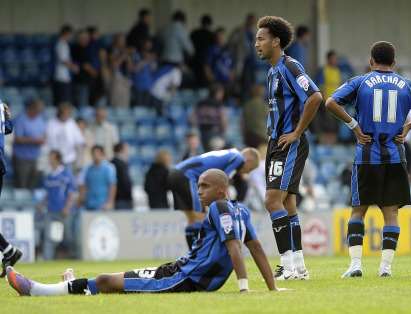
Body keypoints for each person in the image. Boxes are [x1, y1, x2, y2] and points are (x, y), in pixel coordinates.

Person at [7, 169, 283, 296]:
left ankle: (39, 291)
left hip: (183, 280)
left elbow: (235, 247)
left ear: (221, 190)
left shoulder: (218, 207)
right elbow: (255, 248)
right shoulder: (241, 211)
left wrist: (245, 288)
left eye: (204, 186)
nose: (199, 192)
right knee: (111, 280)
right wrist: (272, 288)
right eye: (198, 186)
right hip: (179, 270)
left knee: (106, 280)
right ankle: (70, 285)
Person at [325, 41, 411, 278]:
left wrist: (354, 125)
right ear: (394, 62)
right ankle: (385, 268)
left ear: (371, 61)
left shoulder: (361, 82)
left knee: (358, 211)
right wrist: (410, 125)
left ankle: (356, 265)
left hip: (367, 155)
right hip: (394, 156)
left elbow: (330, 102)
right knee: (391, 213)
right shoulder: (406, 85)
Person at [255, 16, 322, 280]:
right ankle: (299, 266)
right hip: (276, 141)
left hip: (288, 141)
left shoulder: (290, 66)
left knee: (272, 200)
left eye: (261, 39)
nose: (256, 43)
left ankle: (287, 266)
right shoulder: (272, 71)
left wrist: (296, 132)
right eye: (256, 39)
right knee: (288, 203)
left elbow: (315, 96)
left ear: (276, 41)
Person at [167, 148, 260, 249]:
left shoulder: (230, 152)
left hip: (174, 172)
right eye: (249, 169)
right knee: (200, 216)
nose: (246, 173)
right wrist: (228, 206)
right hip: (187, 176)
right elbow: (224, 181)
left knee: (192, 218)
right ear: (249, 161)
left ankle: (193, 254)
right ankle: (200, 254)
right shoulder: (238, 158)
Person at [39, 150, 76, 260]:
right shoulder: (49, 175)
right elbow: (48, 193)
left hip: (64, 211)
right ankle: (47, 260)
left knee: (68, 236)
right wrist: (42, 204)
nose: (50, 160)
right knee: (49, 237)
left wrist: (67, 208)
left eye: (52, 158)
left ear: (58, 159)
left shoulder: (66, 174)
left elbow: (71, 193)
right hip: (51, 210)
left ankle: (74, 257)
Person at [0, 102, 22, 277]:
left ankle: (9, 250)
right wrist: (7, 115)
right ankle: (8, 251)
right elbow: (8, 128)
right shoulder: (1, 105)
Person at [12, 98, 46, 189]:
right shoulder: (21, 119)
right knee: (22, 186)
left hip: (35, 157)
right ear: (32, 108)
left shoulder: (39, 119)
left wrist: (43, 139)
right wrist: (34, 140)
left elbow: (43, 134)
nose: (39, 113)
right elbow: (17, 139)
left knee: (33, 186)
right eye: (38, 110)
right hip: (22, 158)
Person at [46, 102, 85, 169]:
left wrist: (82, 143)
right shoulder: (51, 123)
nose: (67, 115)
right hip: (56, 159)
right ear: (60, 113)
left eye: (68, 113)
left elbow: (78, 138)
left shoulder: (71, 122)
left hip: (69, 158)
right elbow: (50, 141)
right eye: (65, 113)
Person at [78, 145, 117, 211]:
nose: (95, 155)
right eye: (93, 153)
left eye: (97, 153)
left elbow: (112, 186)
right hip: (89, 203)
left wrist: (110, 202)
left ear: (102, 154)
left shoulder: (109, 168)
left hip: (103, 205)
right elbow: (84, 186)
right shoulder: (87, 169)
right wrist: (81, 199)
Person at [192, 83, 227, 151]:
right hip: (215, 133)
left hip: (202, 133)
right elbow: (223, 121)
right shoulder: (218, 104)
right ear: (217, 93)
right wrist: (223, 132)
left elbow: (192, 119)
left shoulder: (200, 103)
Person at [53, 24, 79, 106]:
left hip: (65, 76)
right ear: (67, 33)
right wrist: (73, 67)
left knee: (66, 100)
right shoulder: (61, 45)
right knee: (63, 101)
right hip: (61, 77)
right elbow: (64, 60)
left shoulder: (64, 44)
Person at [71, 30, 97, 108]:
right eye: (83, 38)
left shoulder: (87, 49)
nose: (85, 39)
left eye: (86, 37)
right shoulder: (78, 49)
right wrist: (94, 72)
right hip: (81, 81)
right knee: (82, 105)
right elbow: (85, 65)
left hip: (87, 81)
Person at [190, 14, 215, 86]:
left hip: (195, 60)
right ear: (210, 24)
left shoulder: (194, 33)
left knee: (196, 81)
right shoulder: (211, 35)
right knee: (205, 82)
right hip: (206, 61)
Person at [111, 142, 133, 210]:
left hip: (121, 198)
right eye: (127, 149)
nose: (128, 152)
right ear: (121, 150)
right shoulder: (119, 164)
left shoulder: (114, 162)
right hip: (121, 199)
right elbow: (124, 182)